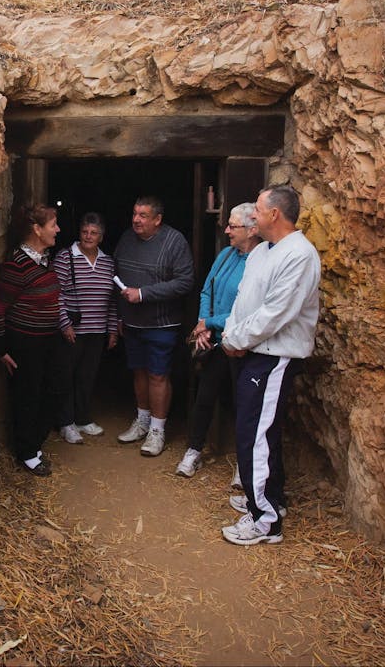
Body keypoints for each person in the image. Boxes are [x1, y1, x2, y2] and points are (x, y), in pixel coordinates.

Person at [220, 185, 321, 546]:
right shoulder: (263, 250)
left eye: (258, 210)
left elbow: (275, 314)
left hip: (273, 356)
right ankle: (268, 496)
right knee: (260, 430)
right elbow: (243, 300)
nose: (252, 217)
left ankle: (265, 520)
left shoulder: (300, 256)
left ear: (275, 214)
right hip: (251, 351)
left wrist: (236, 341)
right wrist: (231, 334)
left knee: (255, 434)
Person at [175, 203, 261, 477]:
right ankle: (194, 451)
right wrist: (204, 326)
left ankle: (243, 465)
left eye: (233, 226)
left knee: (242, 404)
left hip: (243, 345)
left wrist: (210, 323)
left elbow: (248, 309)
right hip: (215, 341)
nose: (226, 231)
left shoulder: (261, 261)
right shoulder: (226, 254)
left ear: (251, 230)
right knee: (205, 397)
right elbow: (206, 291)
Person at [0, 203, 71, 476]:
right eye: (53, 225)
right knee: (27, 396)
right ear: (37, 229)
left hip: (48, 340)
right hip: (25, 344)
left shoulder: (43, 259)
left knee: (53, 391)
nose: (58, 229)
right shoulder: (17, 265)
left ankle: (34, 443)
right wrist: (1, 348)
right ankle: (27, 452)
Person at [112, 196, 194, 457]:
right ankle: (143, 420)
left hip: (162, 323)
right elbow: (116, 275)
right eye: (135, 214)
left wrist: (144, 293)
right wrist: (119, 315)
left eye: (143, 215)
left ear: (157, 219)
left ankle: (158, 430)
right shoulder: (126, 238)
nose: (136, 219)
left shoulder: (174, 241)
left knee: (158, 375)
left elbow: (185, 282)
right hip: (132, 322)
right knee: (139, 371)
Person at [54, 213, 120, 444]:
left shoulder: (108, 262)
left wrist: (112, 330)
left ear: (101, 237)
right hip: (72, 330)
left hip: (97, 330)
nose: (88, 236)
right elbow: (56, 294)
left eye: (93, 233)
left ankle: (82, 418)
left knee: (87, 376)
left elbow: (112, 300)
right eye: (84, 232)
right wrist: (64, 324)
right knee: (66, 376)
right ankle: (66, 422)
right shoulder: (65, 257)